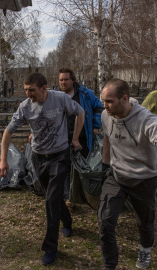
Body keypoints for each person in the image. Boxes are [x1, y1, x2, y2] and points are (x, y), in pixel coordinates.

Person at [0, 73, 85, 266]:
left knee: (51, 199)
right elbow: (7, 132)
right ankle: (68, 221)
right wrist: (3, 160)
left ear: (44, 88)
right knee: (51, 198)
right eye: (26, 90)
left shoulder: (60, 98)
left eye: (32, 90)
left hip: (59, 156)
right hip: (38, 157)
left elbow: (80, 112)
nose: (28, 94)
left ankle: (51, 247)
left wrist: (75, 138)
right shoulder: (25, 107)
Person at [99, 79, 157, 269]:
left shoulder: (146, 119)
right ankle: (109, 265)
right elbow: (107, 136)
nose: (105, 106)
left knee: (145, 222)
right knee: (105, 221)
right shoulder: (106, 114)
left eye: (110, 101)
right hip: (117, 175)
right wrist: (105, 163)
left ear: (125, 98)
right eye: (103, 100)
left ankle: (145, 249)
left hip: (144, 179)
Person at [57, 68, 104, 201]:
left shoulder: (85, 93)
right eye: (61, 79)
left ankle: (84, 195)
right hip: (62, 138)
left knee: (83, 166)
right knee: (64, 167)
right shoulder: (54, 95)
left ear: (73, 80)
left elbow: (99, 108)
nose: (63, 82)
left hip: (84, 137)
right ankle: (68, 197)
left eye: (66, 79)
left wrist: (95, 126)